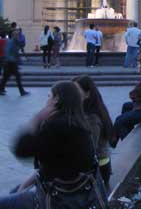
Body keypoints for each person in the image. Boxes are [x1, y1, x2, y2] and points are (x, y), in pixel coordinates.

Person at [0, 81, 106, 209]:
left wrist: (37, 119)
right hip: (79, 191)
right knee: (15, 190)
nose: (47, 99)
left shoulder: (56, 126)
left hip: (59, 198)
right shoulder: (80, 124)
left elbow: (21, 149)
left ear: (56, 99)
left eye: (49, 96)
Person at [72, 75, 114, 187]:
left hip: (97, 171)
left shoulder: (92, 119)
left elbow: (89, 151)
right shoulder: (86, 112)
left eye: (76, 91)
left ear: (87, 94)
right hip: (93, 168)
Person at [111, 55, 141, 146]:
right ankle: (126, 132)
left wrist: (137, 98)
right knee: (126, 106)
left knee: (119, 121)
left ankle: (124, 143)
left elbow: (133, 95)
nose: (137, 66)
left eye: (139, 64)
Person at [0, 29, 29, 96]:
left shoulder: (15, 42)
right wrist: (12, 59)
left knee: (6, 77)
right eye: (17, 35)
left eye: (18, 35)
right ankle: (22, 91)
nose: (18, 36)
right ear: (13, 35)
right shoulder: (10, 42)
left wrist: (18, 60)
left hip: (11, 63)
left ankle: (1, 89)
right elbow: (7, 52)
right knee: (17, 77)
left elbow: (16, 52)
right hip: (10, 63)